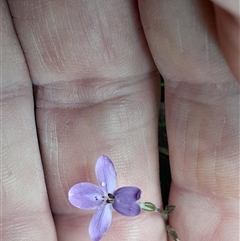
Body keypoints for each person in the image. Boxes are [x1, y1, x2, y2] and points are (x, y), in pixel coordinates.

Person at [2, 0, 239, 240]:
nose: (107, 198)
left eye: (109, 199)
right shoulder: (109, 200)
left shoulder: (118, 199)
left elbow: (118, 188)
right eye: (108, 199)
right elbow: (96, 178)